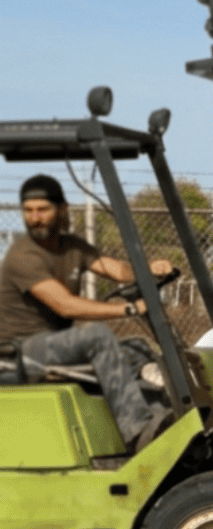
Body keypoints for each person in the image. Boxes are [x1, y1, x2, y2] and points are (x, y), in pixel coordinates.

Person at [0, 174, 177, 451]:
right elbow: (65, 305)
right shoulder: (23, 255)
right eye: (29, 211)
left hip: (56, 343)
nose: (35, 218)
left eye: (42, 210)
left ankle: (165, 421)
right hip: (20, 352)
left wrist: (149, 269)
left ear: (61, 210)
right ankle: (139, 432)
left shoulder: (72, 247)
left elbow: (116, 270)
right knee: (96, 337)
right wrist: (128, 308)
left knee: (138, 348)